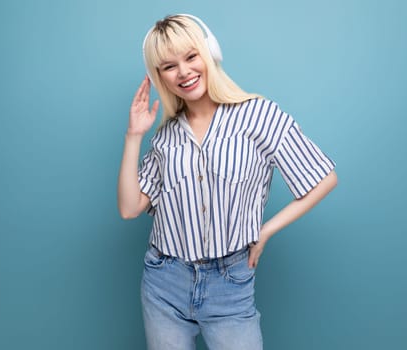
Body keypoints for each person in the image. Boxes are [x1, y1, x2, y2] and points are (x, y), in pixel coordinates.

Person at [117, 14, 337, 350]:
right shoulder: (165, 139)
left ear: (209, 53)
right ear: (159, 76)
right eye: (169, 66)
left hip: (230, 283)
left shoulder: (259, 116)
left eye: (191, 57)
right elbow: (130, 208)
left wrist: (265, 231)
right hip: (164, 281)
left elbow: (324, 178)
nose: (184, 72)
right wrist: (134, 135)